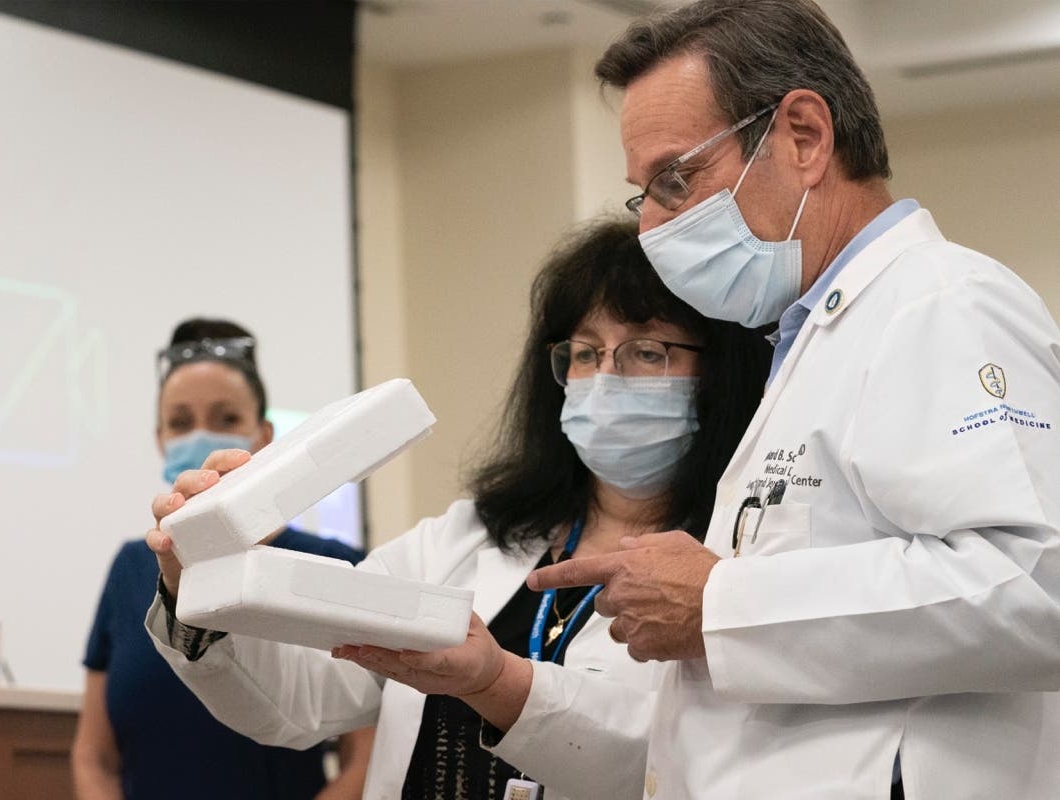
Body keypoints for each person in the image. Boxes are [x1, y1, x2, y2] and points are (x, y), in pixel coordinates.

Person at [527, 2, 1060, 799]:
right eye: (645, 194)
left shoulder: (941, 301)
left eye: (676, 179)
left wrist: (719, 602)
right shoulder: (813, 336)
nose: (653, 227)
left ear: (804, 137)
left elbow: (1032, 589)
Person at [141, 220, 771, 800]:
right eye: (584, 353)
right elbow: (301, 700)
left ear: (719, 374)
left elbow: (680, 763)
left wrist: (497, 683)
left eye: (645, 351)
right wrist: (196, 582)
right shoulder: (465, 539)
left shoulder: (739, 561)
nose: (604, 378)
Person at [72, 318, 373, 800]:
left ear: (264, 434)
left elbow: (365, 760)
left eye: (226, 418)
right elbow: (94, 758)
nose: (202, 436)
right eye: (181, 422)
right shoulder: (131, 569)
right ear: (160, 438)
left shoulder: (334, 565)